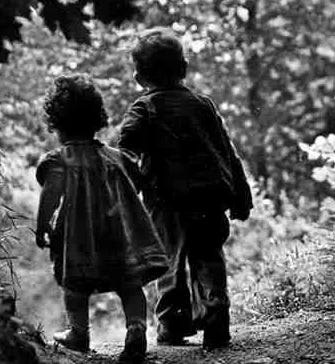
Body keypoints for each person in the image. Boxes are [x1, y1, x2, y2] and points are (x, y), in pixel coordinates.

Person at [117, 28, 253, 349]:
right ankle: (216, 312)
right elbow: (227, 150)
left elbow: (126, 147)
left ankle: (172, 325)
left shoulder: (144, 108)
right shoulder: (203, 104)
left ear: (139, 78)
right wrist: (240, 194)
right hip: (210, 195)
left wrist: (128, 184)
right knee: (208, 255)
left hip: (168, 201)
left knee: (169, 262)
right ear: (184, 68)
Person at [35, 74, 168, 364]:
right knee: (130, 284)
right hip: (120, 233)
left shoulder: (59, 160)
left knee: (74, 286)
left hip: (79, 237)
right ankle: (136, 330)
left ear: (56, 124)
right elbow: (138, 179)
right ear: (97, 118)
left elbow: (50, 196)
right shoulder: (117, 157)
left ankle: (79, 333)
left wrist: (43, 225)